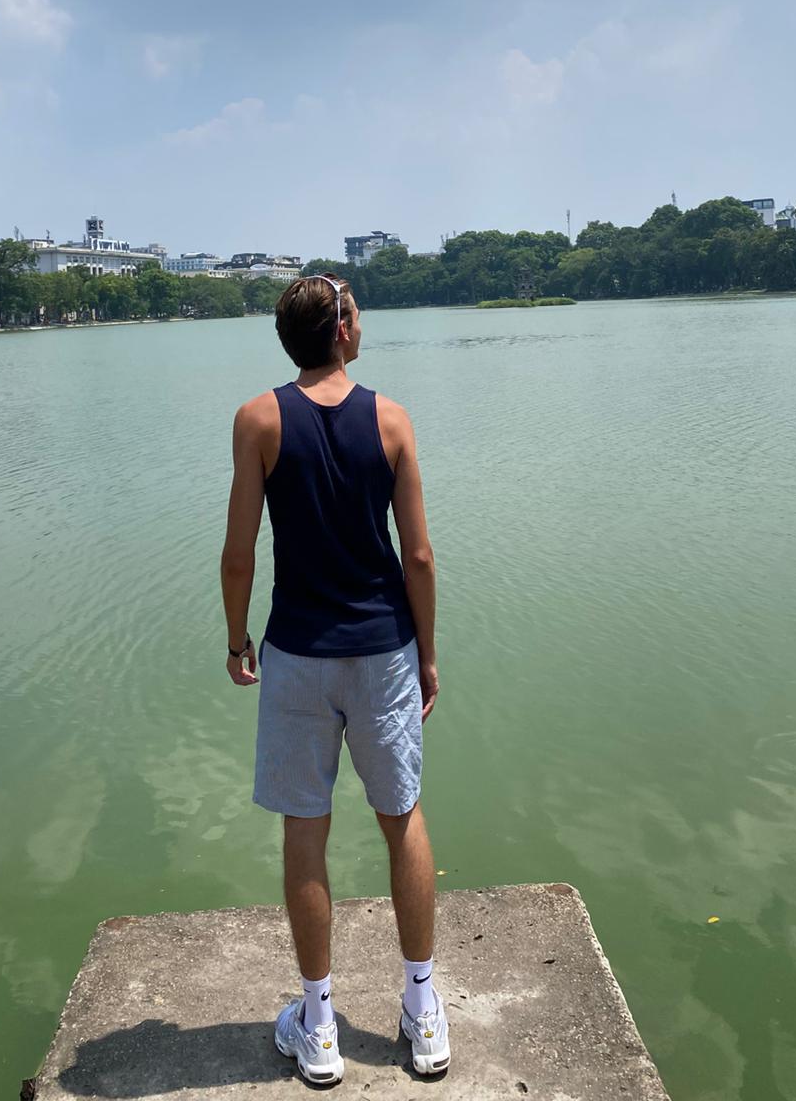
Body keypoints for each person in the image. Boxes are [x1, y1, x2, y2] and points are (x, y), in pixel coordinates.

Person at [220, 272, 449, 1085]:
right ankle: (423, 1010)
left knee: (305, 828)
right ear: (344, 331)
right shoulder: (391, 419)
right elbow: (418, 556)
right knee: (402, 818)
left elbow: (239, 553)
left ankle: (319, 1025)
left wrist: (237, 640)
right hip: (384, 649)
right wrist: (427, 653)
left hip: (297, 653)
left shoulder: (258, 419)